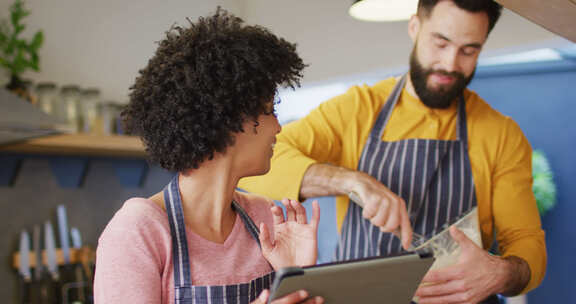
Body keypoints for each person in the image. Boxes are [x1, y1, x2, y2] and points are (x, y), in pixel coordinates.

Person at [239, 0, 546, 303]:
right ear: (415, 27)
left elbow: (526, 242)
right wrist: (352, 182)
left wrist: (502, 272)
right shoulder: (357, 109)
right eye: (440, 43)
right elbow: (255, 163)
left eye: (469, 50)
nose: (451, 63)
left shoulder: (502, 134)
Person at [94, 8, 325, 304]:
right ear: (228, 120)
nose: (278, 127)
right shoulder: (138, 230)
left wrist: (296, 276)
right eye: (269, 111)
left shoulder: (265, 216)